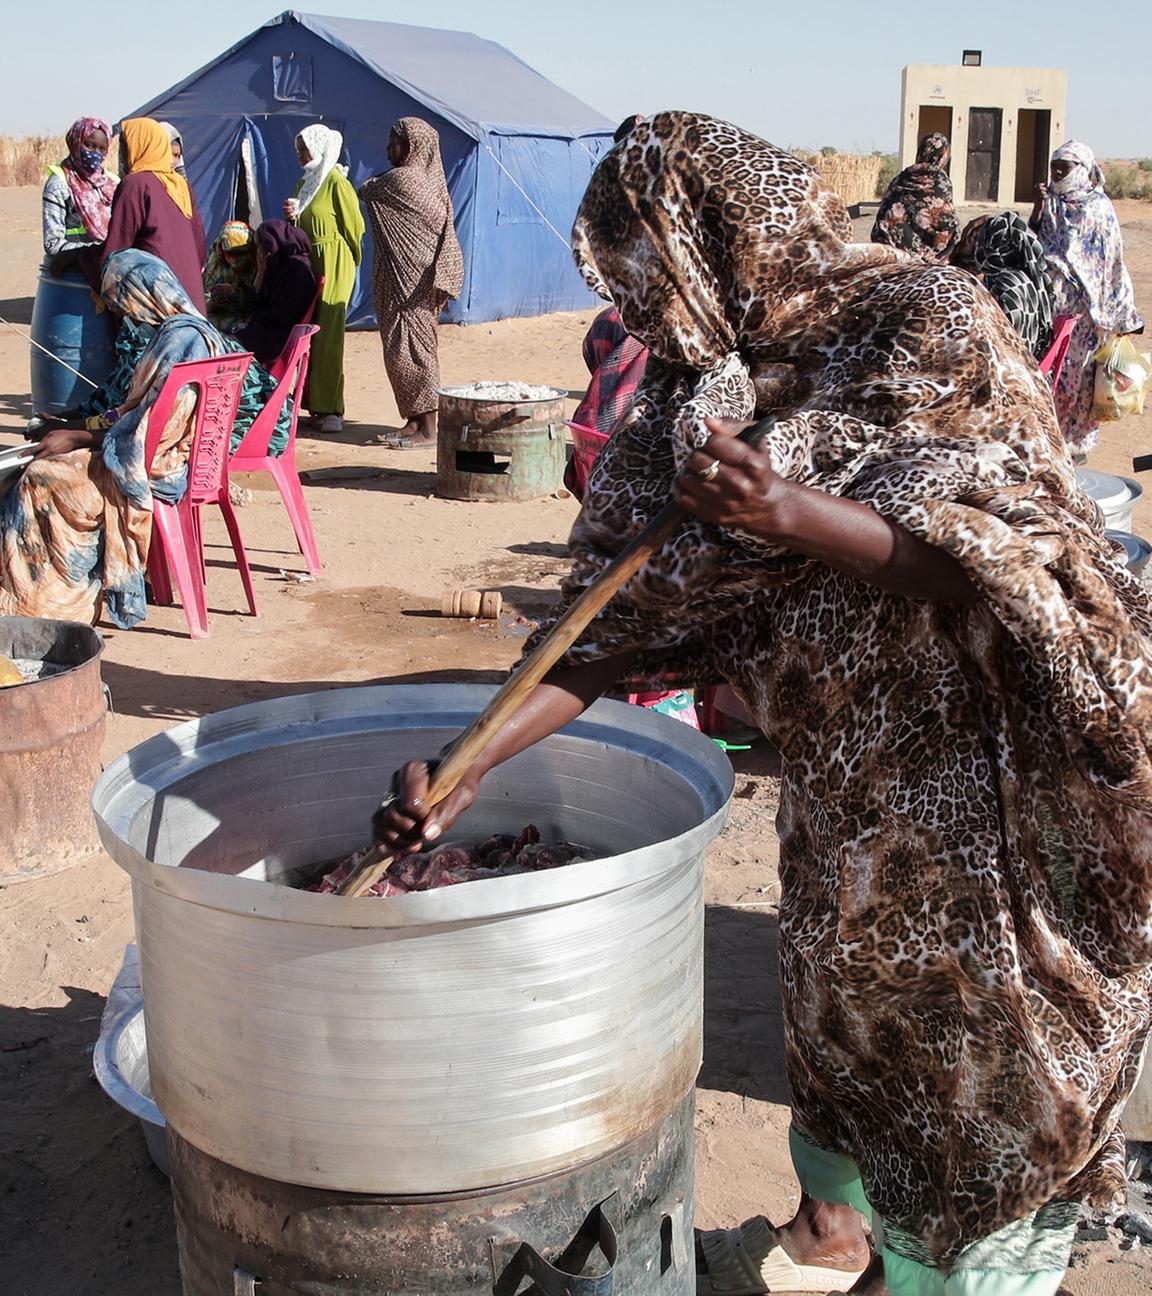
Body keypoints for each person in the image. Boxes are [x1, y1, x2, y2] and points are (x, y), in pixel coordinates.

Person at [376, 113, 1152, 1296]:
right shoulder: (698, 408)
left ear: (721, 236)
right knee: (849, 1055)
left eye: (649, 264)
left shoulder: (929, 323)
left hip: (979, 818)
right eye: (619, 276)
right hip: (847, 810)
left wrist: (794, 515)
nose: (640, 304)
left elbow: (1019, 555)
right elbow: (602, 635)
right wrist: (474, 761)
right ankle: (845, 1246)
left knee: (981, 1096)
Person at [2, 252, 232, 627]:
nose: (122, 313)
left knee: (39, 479)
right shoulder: (177, 334)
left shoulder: (183, 342)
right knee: (38, 464)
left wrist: (76, 437)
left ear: (141, 294)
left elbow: (149, 432)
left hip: (156, 466)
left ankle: (52, 608)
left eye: (121, 301)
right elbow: (133, 411)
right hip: (155, 453)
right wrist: (74, 424)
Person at [1030, 140, 1144, 456]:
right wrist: (1038, 209)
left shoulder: (1100, 209)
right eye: (1054, 168)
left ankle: (1073, 450)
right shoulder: (1051, 204)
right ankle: (1047, 445)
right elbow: (1033, 244)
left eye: (1063, 168)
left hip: (1087, 319)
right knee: (1046, 378)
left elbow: (1112, 263)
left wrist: (1123, 315)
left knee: (1078, 383)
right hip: (1050, 313)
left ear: (1081, 170)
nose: (1056, 174)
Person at [358, 117, 463, 445]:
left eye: (395, 141)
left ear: (412, 145)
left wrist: (375, 179)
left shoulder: (402, 181)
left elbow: (366, 189)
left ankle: (429, 427)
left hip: (409, 285)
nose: (389, 148)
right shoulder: (431, 184)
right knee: (406, 350)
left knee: (413, 351)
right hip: (412, 281)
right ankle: (415, 421)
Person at [284, 123, 364, 433]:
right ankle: (312, 404)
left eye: (305, 148)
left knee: (329, 333)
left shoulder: (334, 182)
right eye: (299, 150)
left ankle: (331, 408)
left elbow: (354, 227)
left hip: (334, 262)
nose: (301, 155)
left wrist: (345, 259)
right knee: (310, 334)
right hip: (310, 264)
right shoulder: (306, 184)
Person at [104, 117, 207, 312]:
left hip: (158, 302)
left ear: (138, 147)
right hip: (192, 304)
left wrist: (79, 258)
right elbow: (199, 247)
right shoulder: (179, 184)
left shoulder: (135, 184)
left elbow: (116, 255)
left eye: (124, 148)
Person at [951, 211, 1054, 359]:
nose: (970, 243)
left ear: (989, 246)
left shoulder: (1004, 286)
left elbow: (1000, 344)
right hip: (1027, 363)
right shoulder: (1022, 277)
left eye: (977, 239)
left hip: (1011, 368)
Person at [41, 116, 117, 285]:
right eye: (89, 145)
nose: (95, 153)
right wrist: (92, 253)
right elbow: (53, 244)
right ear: (75, 142)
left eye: (102, 149)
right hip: (73, 275)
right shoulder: (59, 185)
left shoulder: (113, 184)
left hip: (108, 274)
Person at [232, 219, 317, 367]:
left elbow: (280, 314)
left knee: (229, 344)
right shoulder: (278, 266)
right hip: (271, 329)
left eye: (261, 247)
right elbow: (254, 303)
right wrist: (261, 272)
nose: (259, 252)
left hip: (280, 337)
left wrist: (258, 316)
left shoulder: (297, 270)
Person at [871, 132, 958, 261]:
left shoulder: (902, 177)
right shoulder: (941, 181)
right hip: (923, 252)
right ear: (944, 157)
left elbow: (885, 208)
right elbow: (946, 221)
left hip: (888, 246)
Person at [204, 220, 257, 331]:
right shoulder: (216, 263)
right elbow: (205, 296)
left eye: (240, 253)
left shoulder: (256, 262)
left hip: (249, 316)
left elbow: (259, 300)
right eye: (230, 253)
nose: (235, 259)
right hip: (219, 315)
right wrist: (214, 300)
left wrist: (235, 293)